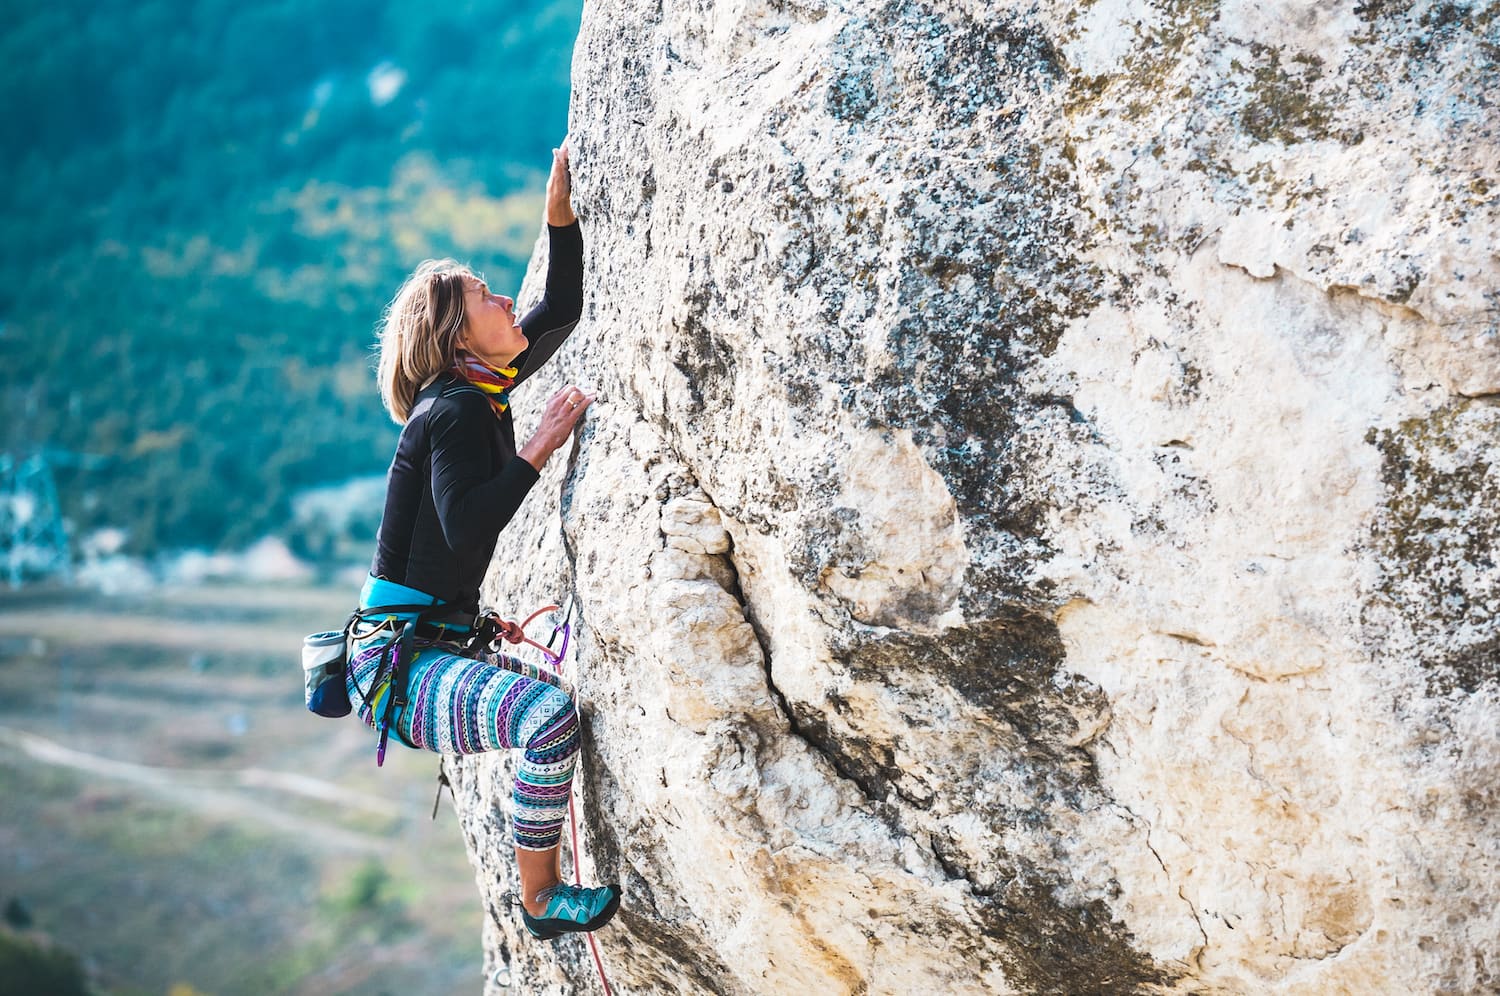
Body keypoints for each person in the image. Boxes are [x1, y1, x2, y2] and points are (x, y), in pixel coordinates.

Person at [348, 136, 619, 942]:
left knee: (556, 703)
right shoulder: (457, 409)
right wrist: (542, 443)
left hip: (426, 645)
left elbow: (559, 310)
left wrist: (558, 217)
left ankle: (538, 876)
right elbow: (467, 521)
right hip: (399, 667)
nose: (507, 301)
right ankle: (538, 901)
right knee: (547, 717)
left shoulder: (479, 388)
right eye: (488, 298)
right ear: (459, 339)